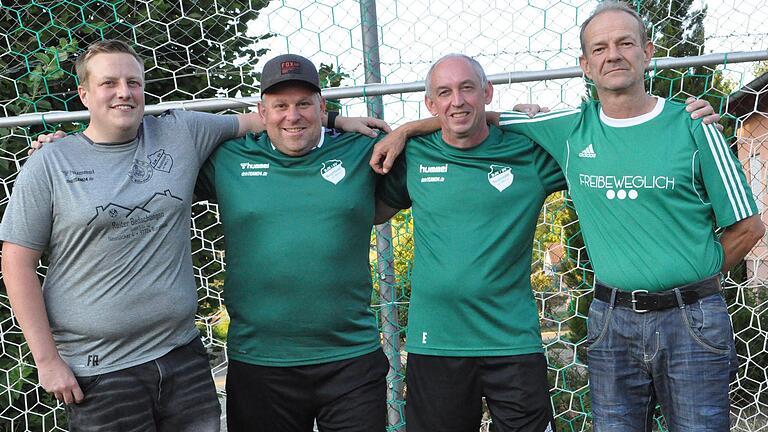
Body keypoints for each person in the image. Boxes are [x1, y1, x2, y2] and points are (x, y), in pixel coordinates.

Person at [373, 2, 763, 430]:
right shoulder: (569, 128)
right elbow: (465, 119)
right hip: (610, 320)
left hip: (690, 319)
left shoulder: (692, 125)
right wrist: (405, 130)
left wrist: (693, 279)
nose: (612, 54)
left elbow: (748, 227)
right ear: (585, 65)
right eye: (600, 47)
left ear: (648, 53)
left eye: (624, 43)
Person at [0, 40, 387, 432]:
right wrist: (46, 361)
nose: (124, 92)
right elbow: (15, 261)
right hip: (100, 368)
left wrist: (336, 121)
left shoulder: (179, 133)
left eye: (133, 82)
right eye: (109, 83)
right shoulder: (51, 163)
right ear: (84, 94)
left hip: (182, 358)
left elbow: (261, 120)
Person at [194, 54, 391, 432]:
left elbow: (445, 140)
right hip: (260, 361)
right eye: (280, 106)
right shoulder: (229, 158)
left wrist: (507, 118)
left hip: (349, 358)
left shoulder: (361, 149)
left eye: (304, 104)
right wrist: (55, 148)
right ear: (261, 111)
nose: (292, 115)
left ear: (322, 106)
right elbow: (157, 151)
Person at [373, 53, 566, 432]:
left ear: (487, 93)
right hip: (436, 343)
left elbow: (595, 148)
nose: (456, 100)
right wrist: (407, 130)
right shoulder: (414, 155)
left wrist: (529, 119)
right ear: (430, 104)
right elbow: (370, 212)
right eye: (443, 92)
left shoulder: (527, 152)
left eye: (467, 89)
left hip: (512, 342)